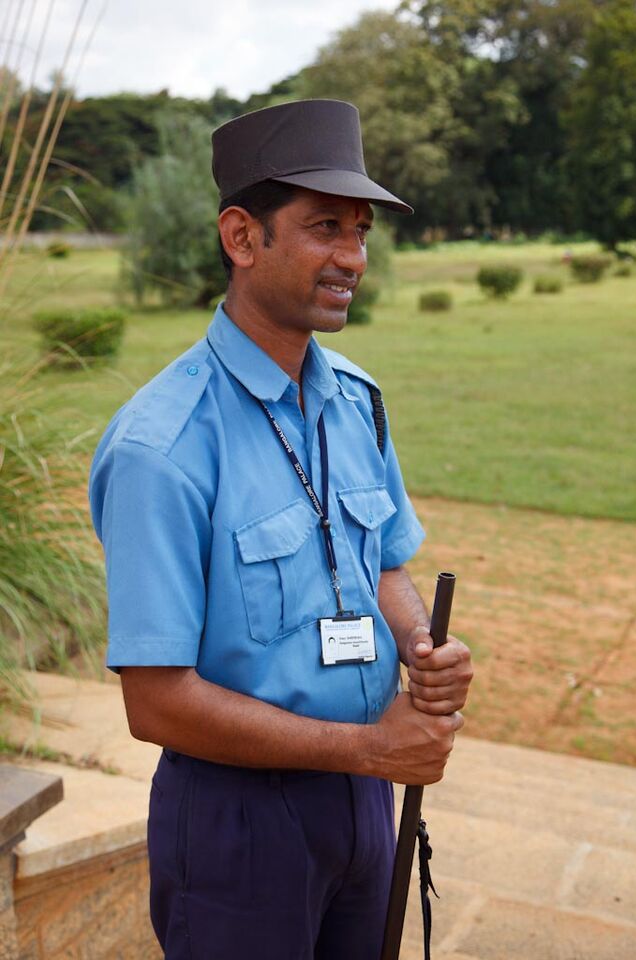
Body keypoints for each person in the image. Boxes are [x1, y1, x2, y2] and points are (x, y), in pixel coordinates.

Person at [89, 99, 472, 960]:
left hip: (364, 804)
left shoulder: (357, 401)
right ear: (242, 236)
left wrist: (422, 647)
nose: (354, 258)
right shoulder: (163, 446)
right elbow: (155, 702)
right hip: (238, 825)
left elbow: (383, 566)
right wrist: (371, 749)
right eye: (325, 226)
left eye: (361, 231)